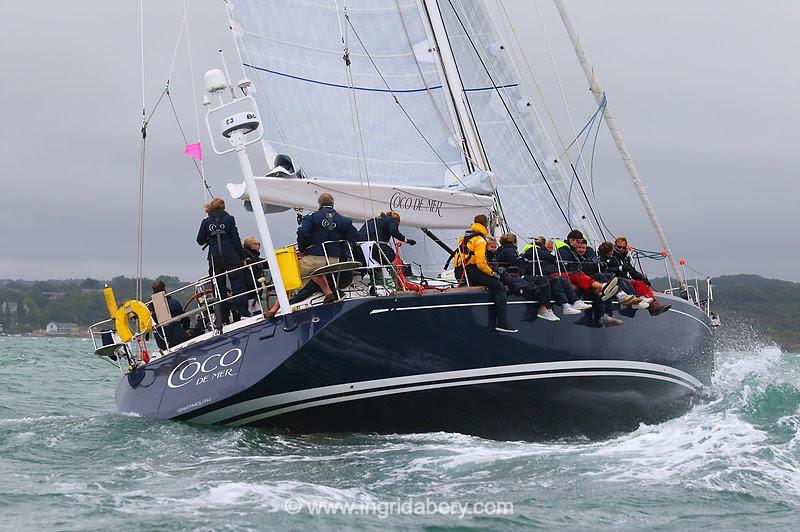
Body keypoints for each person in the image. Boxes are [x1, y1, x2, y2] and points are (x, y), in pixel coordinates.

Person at [453, 215, 517, 333]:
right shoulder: (480, 240)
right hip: (472, 270)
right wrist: (492, 273)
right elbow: (481, 263)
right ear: (485, 225)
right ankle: (502, 322)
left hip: (460, 270)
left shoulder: (464, 237)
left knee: (490, 283)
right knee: (500, 288)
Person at [296, 193, 360, 304]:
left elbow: (302, 232)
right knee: (317, 274)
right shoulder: (344, 220)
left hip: (314, 258)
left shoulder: (311, 217)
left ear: (319, 204)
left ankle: (288, 303)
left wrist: (302, 249)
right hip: (334, 260)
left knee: (291, 273)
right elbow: (355, 237)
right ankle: (329, 293)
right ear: (333, 204)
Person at [196, 197, 250, 322]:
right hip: (231, 256)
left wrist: (210, 237)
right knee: (237, 283)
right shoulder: (229, 219)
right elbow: (236, 240)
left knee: (218, 287)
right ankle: (242, 311)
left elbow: (200, 240)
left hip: (215, 258)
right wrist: (242, 257)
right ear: (223, 207)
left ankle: (222, 316)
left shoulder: (206, 222)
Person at [557, 230, 623, 326]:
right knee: (600, 283)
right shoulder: (566, 251)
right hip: (576, 280)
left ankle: (604, 314)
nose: (580, 248)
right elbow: (570, 269)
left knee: (606, 280)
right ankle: (607, 298)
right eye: (578, 244)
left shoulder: (578, 254)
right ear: (572, 241)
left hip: (583, 280)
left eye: (583, 247)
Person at [522, 237, 593, 315]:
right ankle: (562, 307)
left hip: (548, 274)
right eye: (549, 248)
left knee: (563, 279)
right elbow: (551, 259)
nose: (551, 250)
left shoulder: (539, 251)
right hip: (538, 276)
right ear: (543, 245)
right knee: (559, 280)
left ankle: (574, 302)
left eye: (551, 248)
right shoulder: (534, 250)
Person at [496, 234, 558, 321]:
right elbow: (514, 261)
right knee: (542, 281)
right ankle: (544, 309)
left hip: (514, 275)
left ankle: (547, 309)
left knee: (541, 281)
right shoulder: (509, 250)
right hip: (513, 276)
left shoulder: (505, 249)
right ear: (514, 241)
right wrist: (523, 260)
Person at [610, 236, 672, 316]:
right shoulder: (611, 257)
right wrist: (620, 268)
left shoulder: (625, 259)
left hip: (625, 280)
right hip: (616, 280)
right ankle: (652, 307)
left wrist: (643, 278)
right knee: (638, 284)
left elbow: (632, 272)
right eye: (619, 247)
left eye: (623, 247)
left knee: (643, 283)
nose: (621, 249)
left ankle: (654, 304)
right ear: (614, 246)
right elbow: (607, 269)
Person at [150, 280, 190, 349]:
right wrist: (186, 329)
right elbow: (185, 320)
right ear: (164, 289)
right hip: (179, 338)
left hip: (162, 343)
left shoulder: (150, 308)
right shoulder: (174, 303)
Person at [242, 236, 270, 313]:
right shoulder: (249, 260)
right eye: (258, 244)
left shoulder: (254, 258)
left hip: (254, 293)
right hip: (250, 294)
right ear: (252, 245)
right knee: (256, 312)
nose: (259, 247)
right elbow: (248, 278)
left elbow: (266, 263)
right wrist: (259, 283)